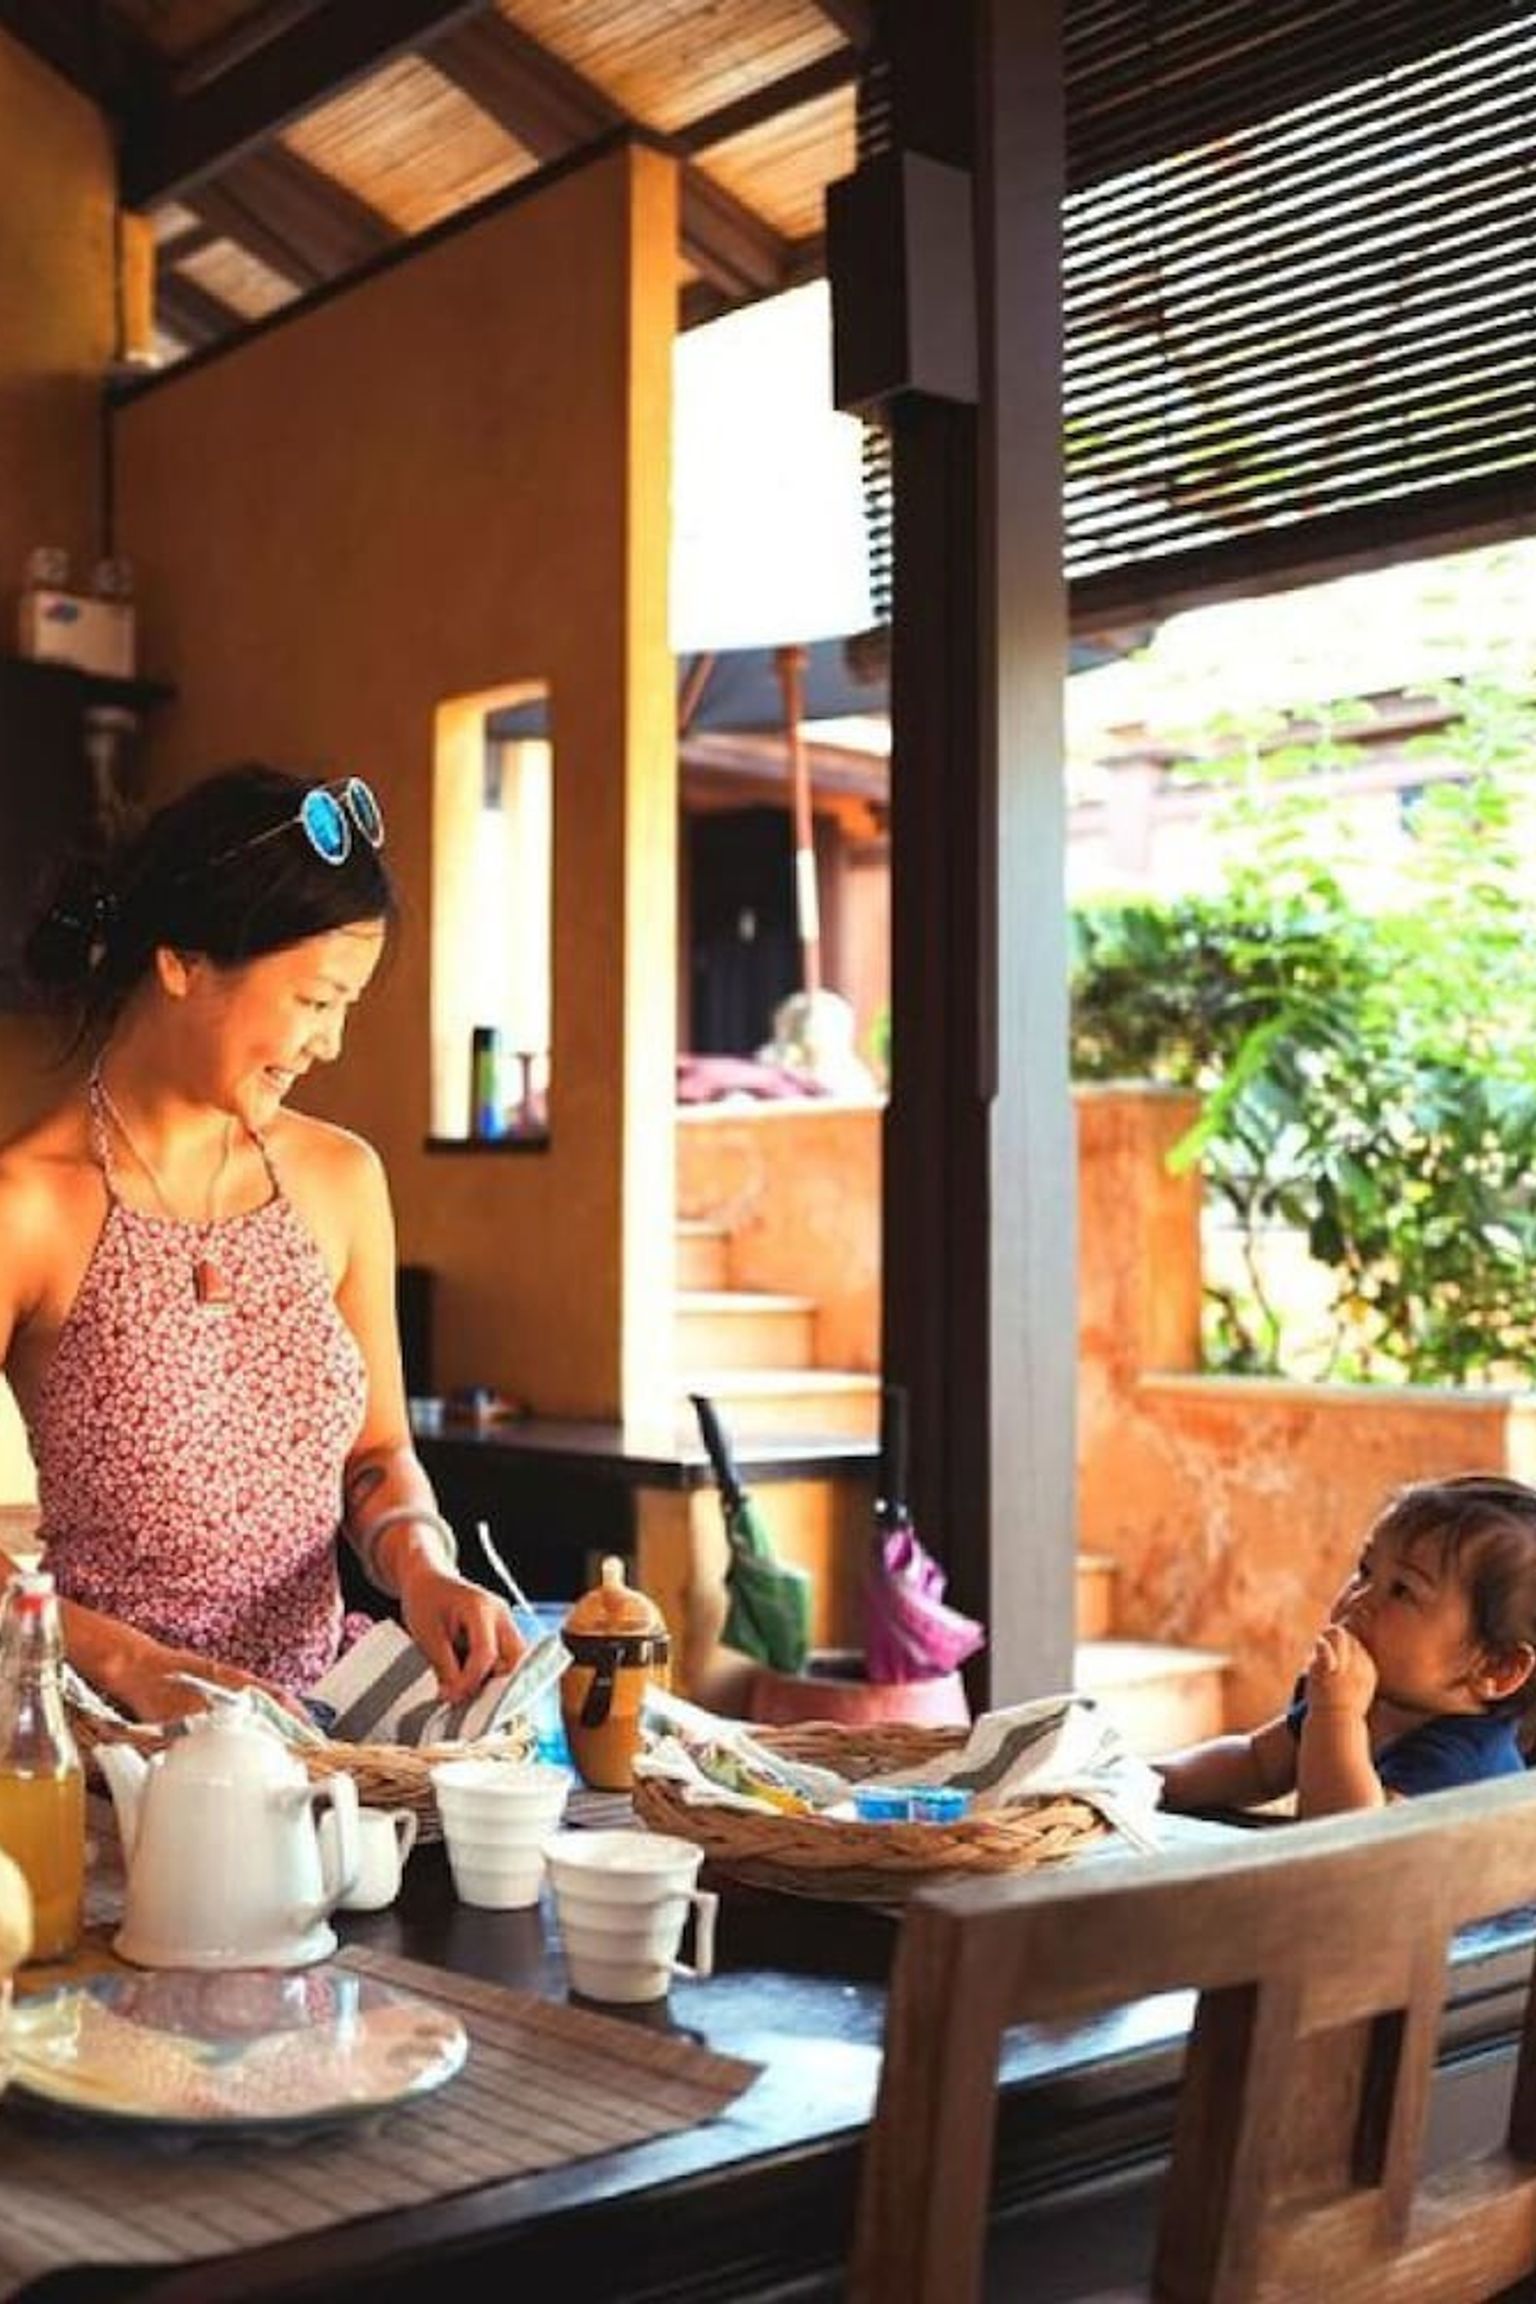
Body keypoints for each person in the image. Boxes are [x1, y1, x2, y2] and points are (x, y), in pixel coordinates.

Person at [0, 764, 522, 1724]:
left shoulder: (341, 1180)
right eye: (314, 1001)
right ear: (183, 962)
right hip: (103, 1734)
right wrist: (135, 1667)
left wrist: (424, 1568)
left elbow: (375, 1458)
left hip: (316, 1730)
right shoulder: (26, 1204)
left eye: (346, 1010)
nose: (328, 1046)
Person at [1157, 1474, 1536, 1819]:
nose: (1360, 1598)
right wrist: (1149, 1783)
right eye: (1366, 1571)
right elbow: (1256, 1763)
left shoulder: (1463, 1760)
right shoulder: (1368, 1700)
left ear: (1496, 1667)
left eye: (1402, 1590)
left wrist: (1336, 1713)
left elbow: (1344, 1842)